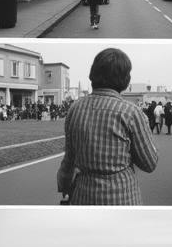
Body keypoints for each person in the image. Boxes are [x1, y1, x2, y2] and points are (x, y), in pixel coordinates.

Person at [57, 48, 158, 205]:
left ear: (93, 74)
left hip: (83, 195)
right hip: (122, 196)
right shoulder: (131, 112)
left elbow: (69, 159)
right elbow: (149, 163)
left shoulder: (75, 109)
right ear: (125, 79)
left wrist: (64, 185)